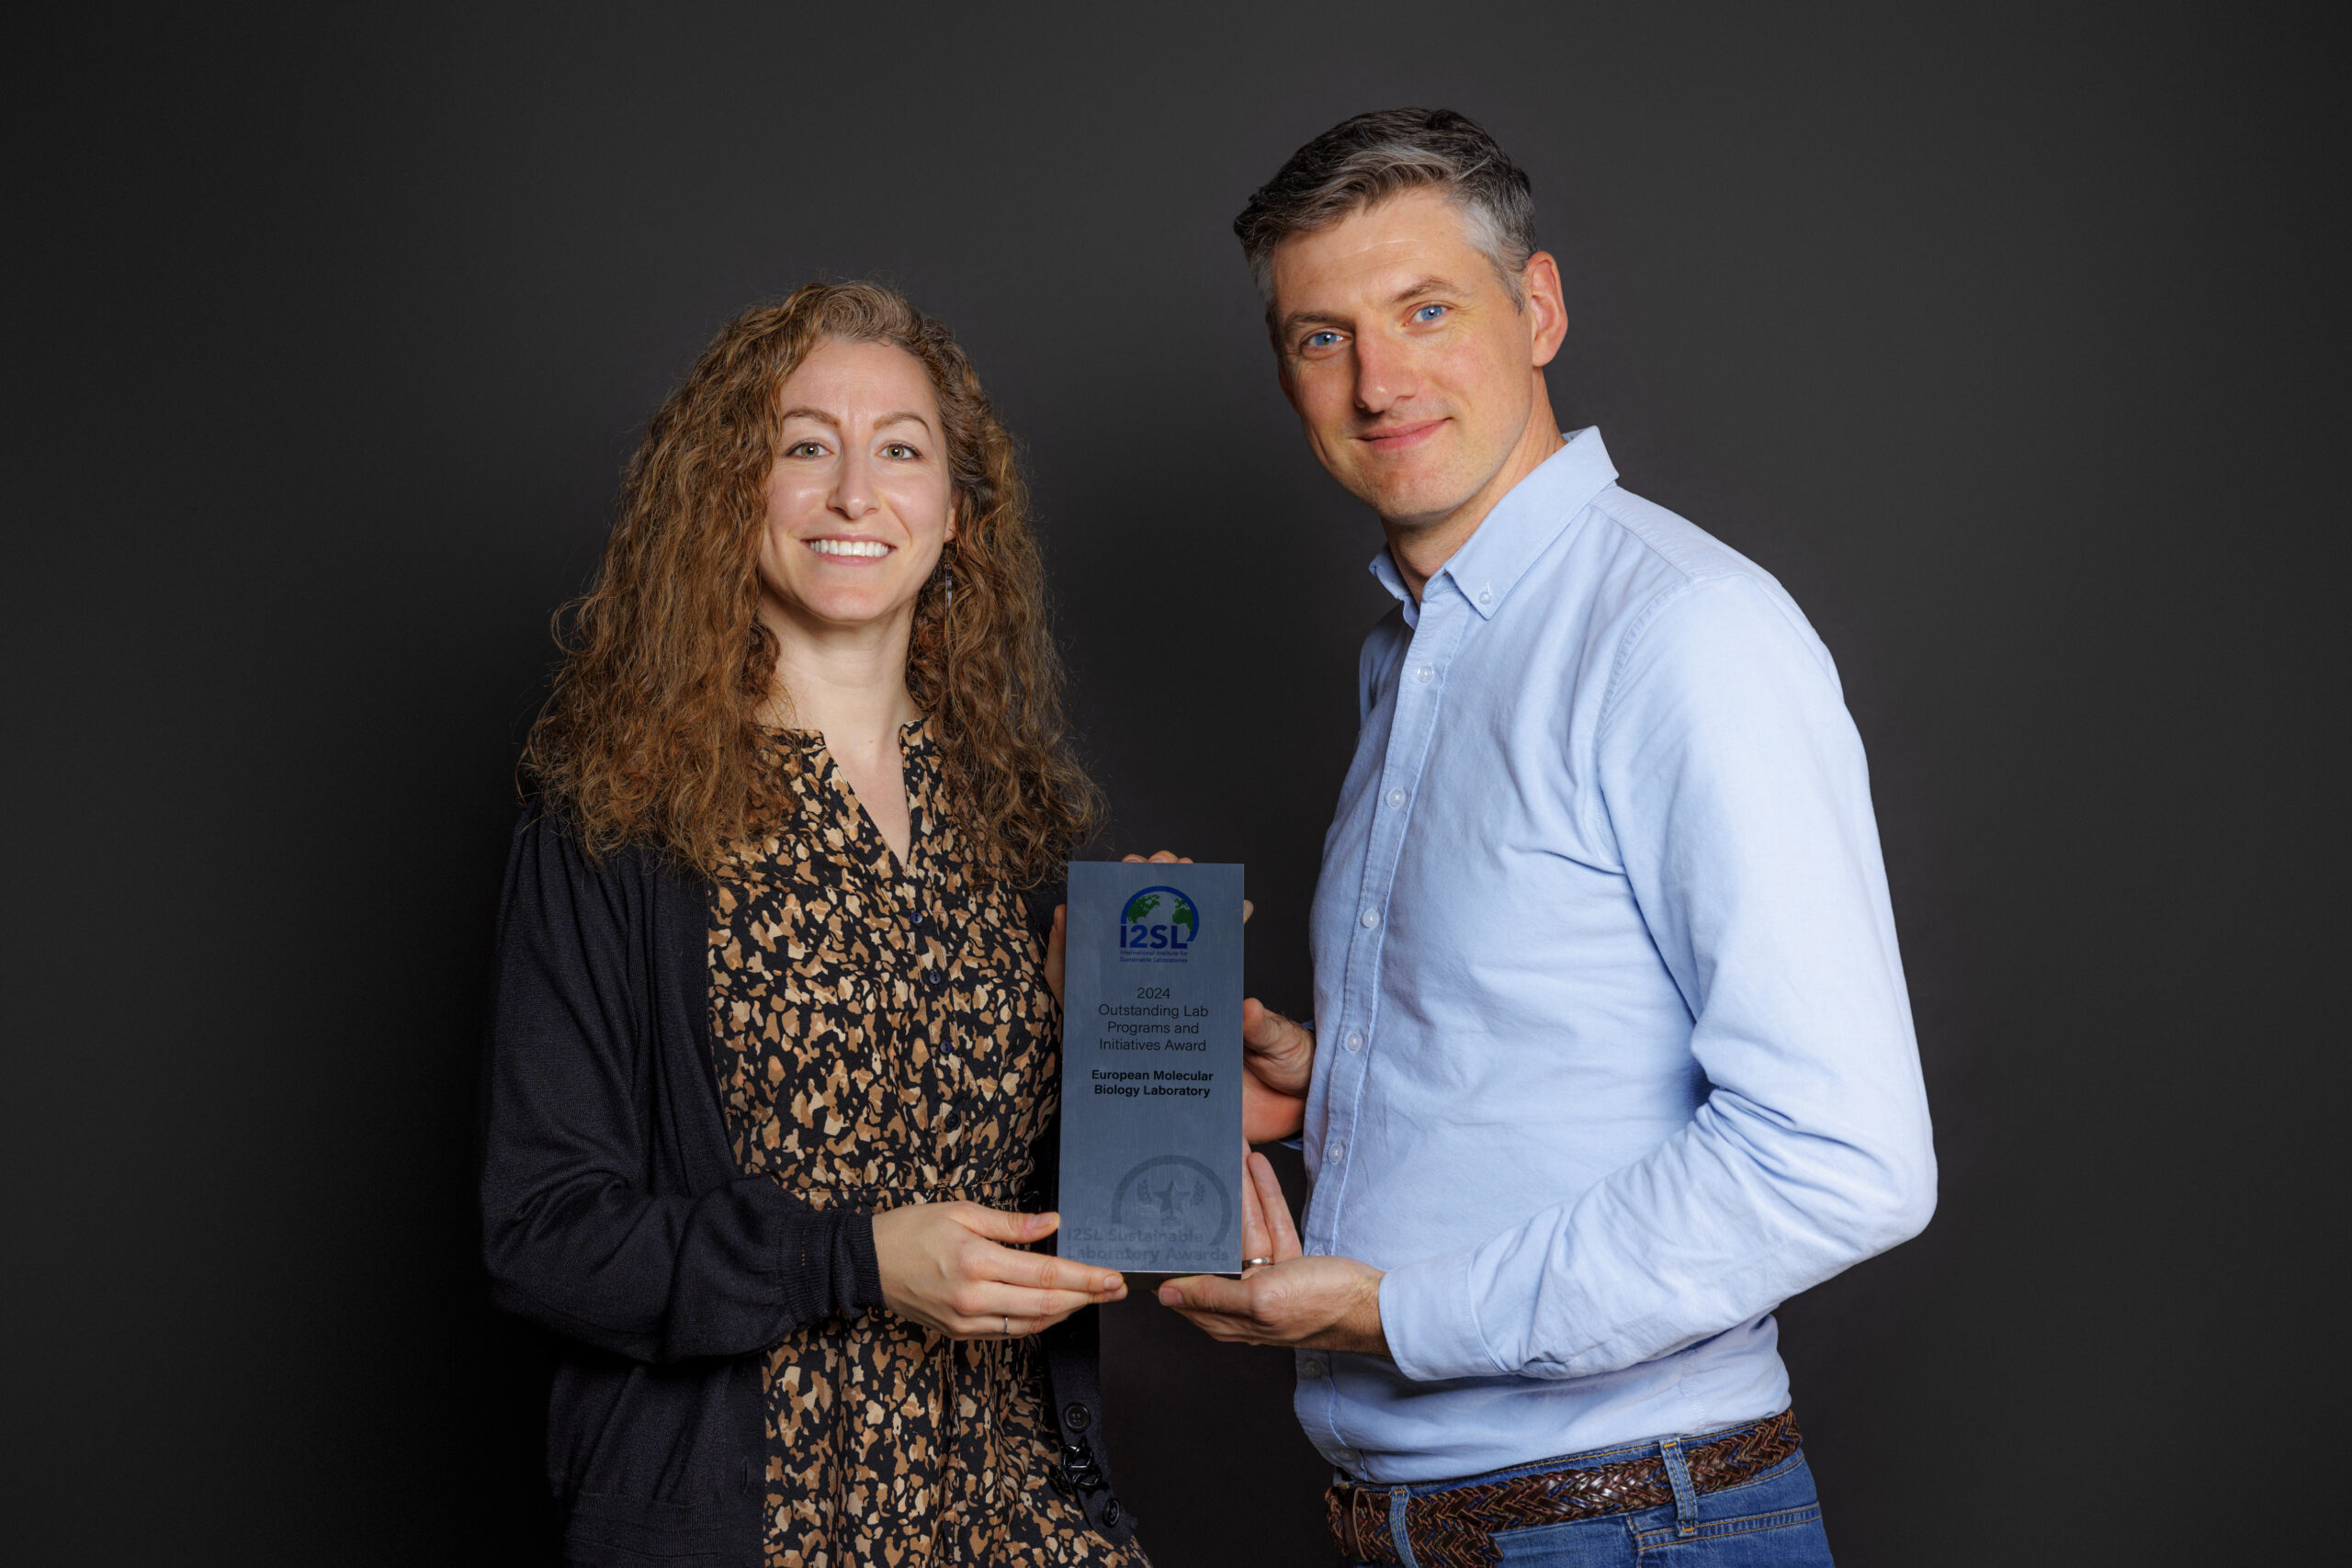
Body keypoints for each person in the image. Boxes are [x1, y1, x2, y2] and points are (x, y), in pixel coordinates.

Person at [1155, 109, 1937, 1566]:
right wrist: (1341, 1078)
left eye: (1426, 310)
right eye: (1322, 337)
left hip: (1636, 1526)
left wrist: (1393, 1315)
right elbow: (1580, 1036)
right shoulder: (1417, 650)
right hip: (1427, 1528)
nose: (1380, 381)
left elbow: (1844, 1154)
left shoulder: (1682, 635)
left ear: (1541, 309)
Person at [480, 282, 1147, 1567]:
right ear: (729, 495)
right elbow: (541, 1235)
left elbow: (1044, 1209)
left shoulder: (1008, 823)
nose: (855, 494)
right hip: (751, 1522)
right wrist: (853, 1264)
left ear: (957, 514)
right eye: (803, 447)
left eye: (901, 448)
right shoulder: (612, 822)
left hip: (1008, 1509)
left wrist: (1155, 1065)